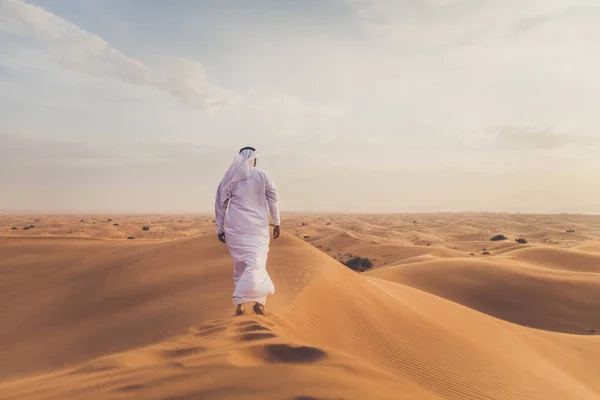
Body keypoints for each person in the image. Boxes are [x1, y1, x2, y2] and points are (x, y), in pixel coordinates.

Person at [214, 146, 281, 316]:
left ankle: (242, 303)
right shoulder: (262, 175)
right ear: (255, 160)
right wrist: (277, 222)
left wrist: (220, 227)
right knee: (257, 263)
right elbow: (273, 200)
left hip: (236, 229)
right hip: (257, 229)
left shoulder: (230, 177)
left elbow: (220, 203)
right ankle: (257, 303)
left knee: (242, 266)